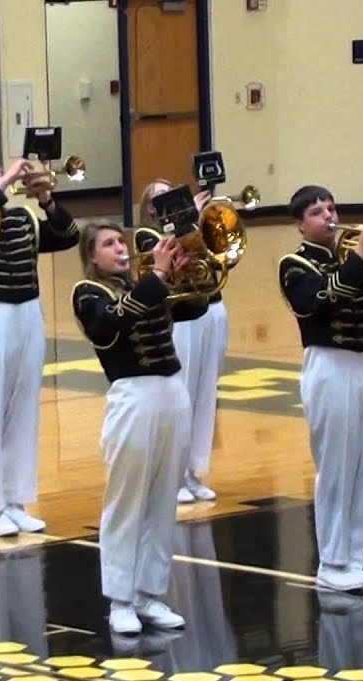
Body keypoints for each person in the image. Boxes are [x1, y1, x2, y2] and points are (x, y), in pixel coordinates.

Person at [0, 147, 80, 536]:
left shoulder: (21, 215)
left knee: (24, 410)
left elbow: (67, 237)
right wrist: (4, 184)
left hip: (27, 312)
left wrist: (47, 200)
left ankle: (17, 498)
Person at [71, 222, 191, 635]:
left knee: (163, 497)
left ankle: (149, 593)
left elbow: (195, 307)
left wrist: (182, 271)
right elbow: (109, 325)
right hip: (132, 394)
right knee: (127, 499)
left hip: (172, 389)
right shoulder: (88, 293)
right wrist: (158, 276)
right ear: (92, 257)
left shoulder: (143, 284)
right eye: (109, 244)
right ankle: (120, 599)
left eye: (121, 241)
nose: (121, 249)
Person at [280, 185, 363, 592]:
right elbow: (318, 301)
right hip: (330, 365)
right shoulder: (294, 264)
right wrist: (361, 258)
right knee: (335, 465)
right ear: (300, 224)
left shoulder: (353, 258)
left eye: (331, 207)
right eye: (317, 212)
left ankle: (352, 557)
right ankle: (330, 562)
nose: (328, 216)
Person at [136, 179, 223, 503]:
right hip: (178, 321)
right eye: (160, 198)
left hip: (204, 312)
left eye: (173, 195)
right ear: (149, 208)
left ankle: (192, 471)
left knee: (203, 397)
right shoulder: (148, 236)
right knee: (182, 397)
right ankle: (172, 476)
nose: (170, 202)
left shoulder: (190, 231)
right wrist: (189, 223)